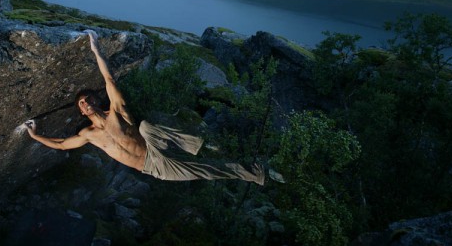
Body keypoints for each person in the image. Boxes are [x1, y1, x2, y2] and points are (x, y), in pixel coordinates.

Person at [25, 30, 273, 185]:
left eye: (88, 98)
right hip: (155, 166)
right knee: (208, 171)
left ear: (96, 101)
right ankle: (255, 174)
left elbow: (109, 80)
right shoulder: (88, 135)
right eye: (82, 103)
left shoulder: (117, 112)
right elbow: (60, 144)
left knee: (145, 125)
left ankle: (200, 144)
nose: (86, 103)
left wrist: (97, 50)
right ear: (81, 111)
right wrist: (35, 135)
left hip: (155, 145)